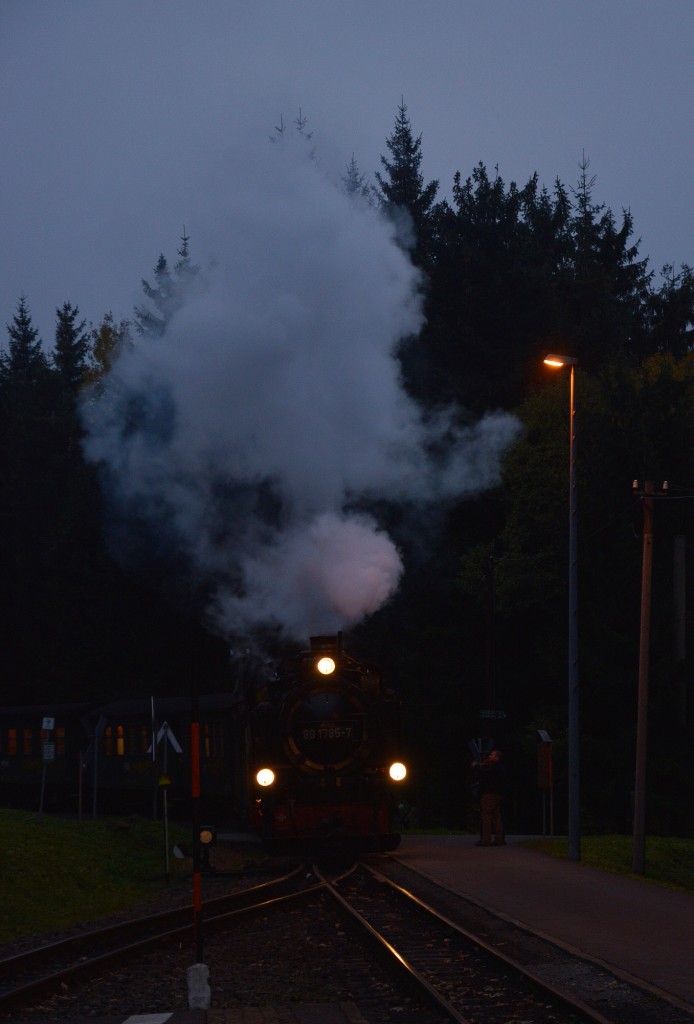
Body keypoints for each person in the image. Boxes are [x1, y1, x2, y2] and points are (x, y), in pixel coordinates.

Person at [474, 749, 506, 846]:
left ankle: (486, 839)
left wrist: (477, 766)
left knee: (486, 816)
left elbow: (484, 775)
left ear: (497, 758)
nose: (489, 756)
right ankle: (499, 838)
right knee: (497, 816)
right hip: (498, 794)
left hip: (489, 794)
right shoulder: (501, 768)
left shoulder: (493, 768)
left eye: (492, 755)